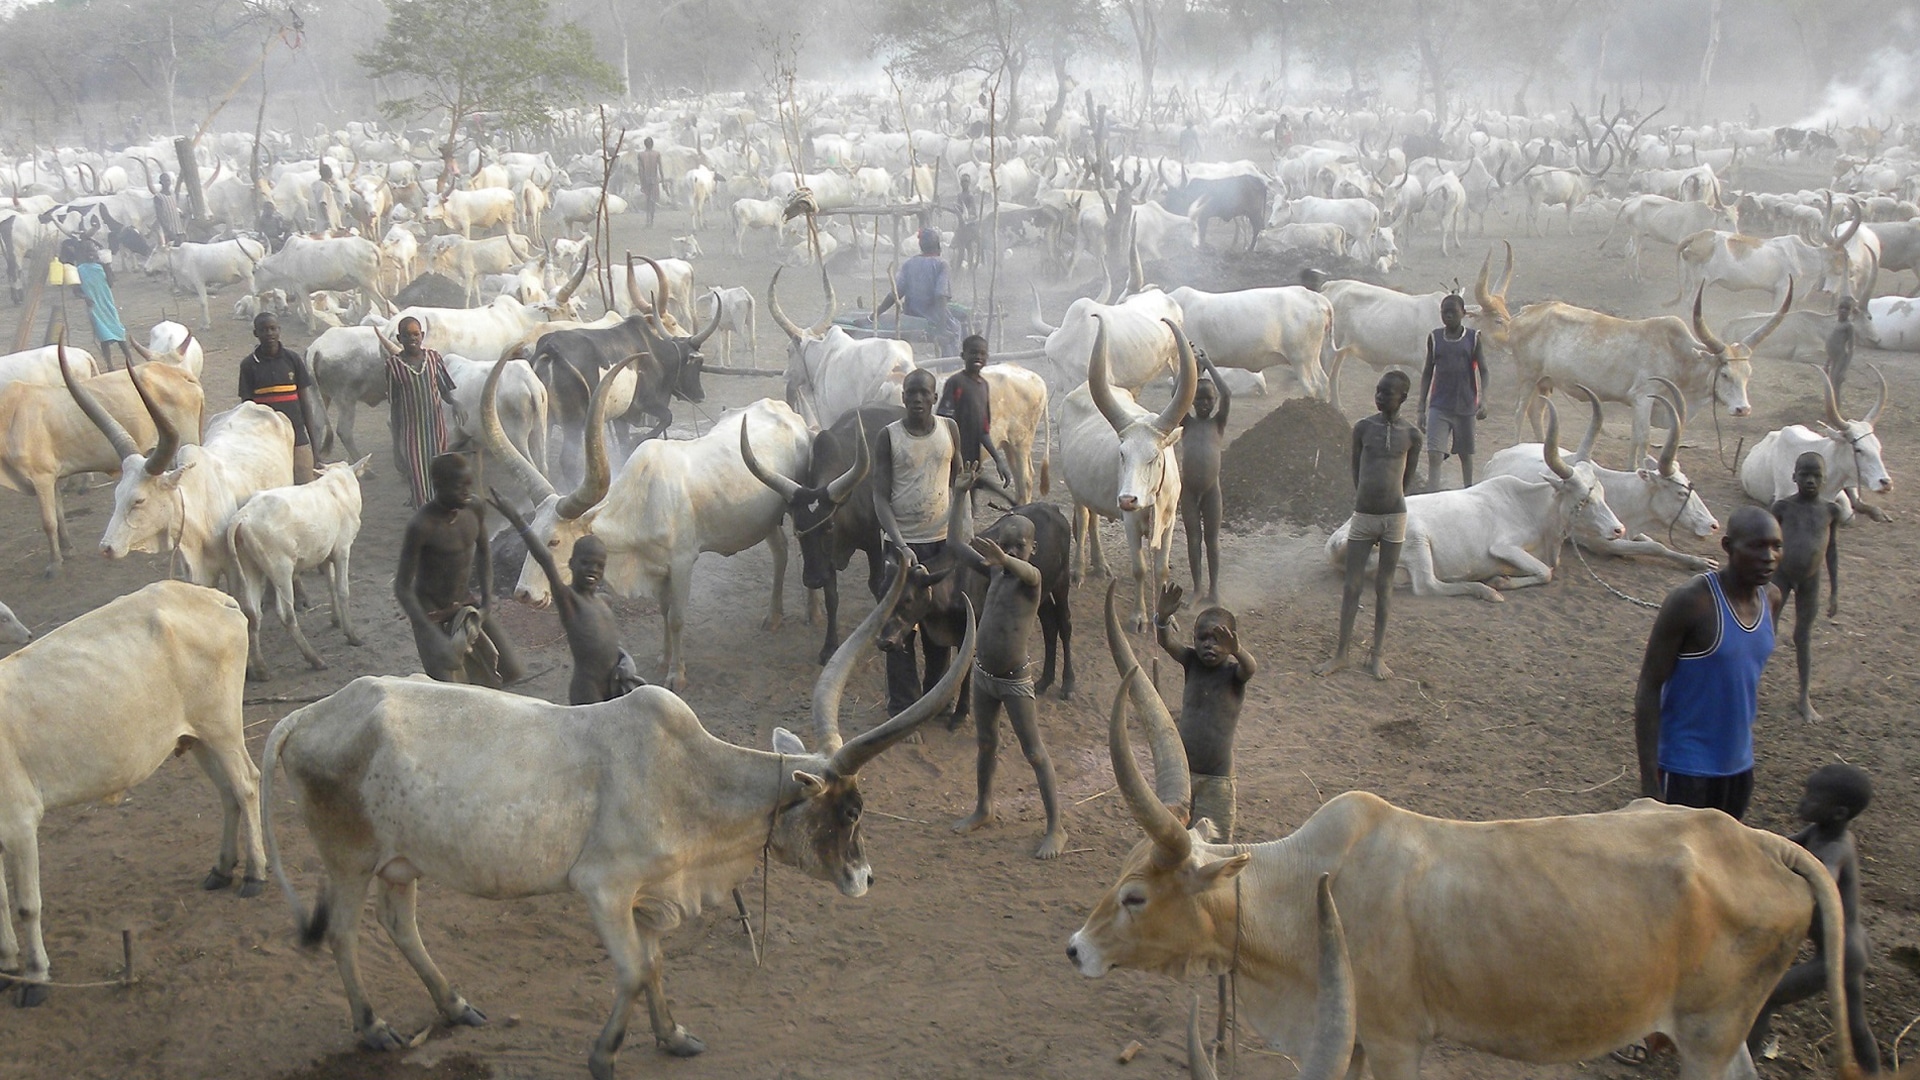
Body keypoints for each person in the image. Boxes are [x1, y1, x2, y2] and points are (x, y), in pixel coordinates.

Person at [1632, 505, 1784, 820]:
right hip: (1685, 766)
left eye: (1776, 546)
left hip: (1739, 764)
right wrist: (1650, 783)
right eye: (1756, 546)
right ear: (1728, 546)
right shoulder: (1692, 602)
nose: (1769, 556)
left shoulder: (1771, 599)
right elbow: (1649, 686)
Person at [949, 478, 1066, 859]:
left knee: (1034, 752)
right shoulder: (996, 574)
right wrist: (960, 495)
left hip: (1015, 681)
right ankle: (984, 807)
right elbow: (953, 545)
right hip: (984, 676)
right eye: (1007, 543)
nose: (1013, 550)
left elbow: (1030, 574)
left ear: (1034, 550)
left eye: (1021, 546)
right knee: (986, 744)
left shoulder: (1031, 581)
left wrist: (1005, 559)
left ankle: (1056, 828)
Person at [1746, 764, 1881, 1071]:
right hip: (1855, 944)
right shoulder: (1819, 831)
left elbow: (1823, 880)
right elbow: (1782, 845)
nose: (1802, 802)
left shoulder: (1835, 848)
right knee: (1855, 1023)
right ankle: (1875, 1074)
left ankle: (1743, 1068)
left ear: (1838, 813)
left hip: (1840, 953)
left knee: (1767, 997)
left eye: (1812, 798)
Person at [491, 490, 644, 705]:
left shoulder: (604, 602)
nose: (593, 569)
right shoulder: (569, 601)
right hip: (588, 690)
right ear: (571, 563)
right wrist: (516, 519)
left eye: (599, 565)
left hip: (614, 685)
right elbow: (544, 558)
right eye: (586, 563)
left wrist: (623, 662)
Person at [1317, 372, 1422, 679]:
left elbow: (1407, 479)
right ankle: (1341, 654)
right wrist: (1367, 500)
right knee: (1351, 586)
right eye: (1377, 391)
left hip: (1394, 517)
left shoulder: (1411, 435)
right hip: (1363, 515)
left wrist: (1389, 500)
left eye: (1387, 393)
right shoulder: (1363, 428)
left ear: (1402, 398)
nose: (1379, 397)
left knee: (1384, 587)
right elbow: (1356, 470)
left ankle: (1377, 656)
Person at [873, 368, 961, 715]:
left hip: (940, 545)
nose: (919, 399)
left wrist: (959, 531)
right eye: (912, 393)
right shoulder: (889, 437)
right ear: (903, 397)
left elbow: (956, 483)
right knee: (898, 631)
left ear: (935, 398)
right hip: (901, 548)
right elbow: (880, 497)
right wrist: (900, 544)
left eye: (926, 393)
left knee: (940, 626)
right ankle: (902, 708)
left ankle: (936, 699)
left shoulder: (949, 430)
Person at [395, 454, 525, 687]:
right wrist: (430, 634)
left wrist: (485, 601)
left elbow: (484, 552)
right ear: (438, 484)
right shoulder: (422, 525)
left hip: (466, 603)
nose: (467, 492)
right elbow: (402, 588)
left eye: (469, 485)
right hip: (431, 612)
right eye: (459, 487)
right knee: (450, 682)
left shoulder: (474, 508)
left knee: (511, 670)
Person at [1154, 584, 1258, 842]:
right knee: (1173, 836)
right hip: (1183, 772)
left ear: (1231, 641)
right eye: (1202, 638)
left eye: (1218, 639)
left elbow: (1251, 667)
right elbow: (1166, 642)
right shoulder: (1191, 662)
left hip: (1217, 778)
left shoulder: (1233, 674)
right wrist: (1163, 618)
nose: (1209, 645)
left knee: (1214, 842)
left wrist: (1238, 651)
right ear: (1193, 639)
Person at [1771, 452, 1842, 724]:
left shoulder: (1830, 511)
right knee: (1766, 631)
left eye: (1816, 476)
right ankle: (1747, 688)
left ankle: (1804, 697)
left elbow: (1832, 550)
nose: (1810, 481)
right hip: (1780, 576)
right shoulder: (1782, 508)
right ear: (1794, 477)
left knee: (1803, 636)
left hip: (1811, 580)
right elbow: (1767, 543)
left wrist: (1834, 591)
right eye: (1804, 475)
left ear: (1825, 479)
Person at [238, 313, 325, 483]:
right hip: (265, 440)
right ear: (256, 333)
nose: (269, 333)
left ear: (279, 330)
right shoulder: (249, 365)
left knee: (305, 485)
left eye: (273, 329)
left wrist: (315, 448)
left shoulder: (292, 359)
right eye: (264, 330)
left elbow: (305, 403)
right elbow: (246, 409)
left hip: (297, 435)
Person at [386, 316, 458, 508]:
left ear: (422, 335)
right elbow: (395, 405)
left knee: (440, 473)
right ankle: (424, 515)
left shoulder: (434, 358)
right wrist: (396, 444)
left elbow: (444, 389)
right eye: (407, 335)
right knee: (418, 477)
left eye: (416, 334)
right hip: (412, 432)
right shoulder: (394, 366)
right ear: (399, 338)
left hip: (436, 429)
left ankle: (442, 514)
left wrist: (455, 403)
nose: (412, 338)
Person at [1419, 293, 1487, 490]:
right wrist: (1420, 407)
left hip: (1465, 406)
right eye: (1444, 312)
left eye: (1453, 312)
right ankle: (1433, 495)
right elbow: (1427, 372)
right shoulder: (1435, 337)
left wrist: (1485, 399)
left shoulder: (1473, 339)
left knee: (1466, 455)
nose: (1448, 316)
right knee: (1434, 453)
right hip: (1439, 405)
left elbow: (1484, 370)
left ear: (1464, 313)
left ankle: (1468, 491)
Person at [1178, 349, 1231, 604]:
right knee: (1193, 538)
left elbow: (1227, 393)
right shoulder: (1186, 423)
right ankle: (1197, 588)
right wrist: (1192, 369)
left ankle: (1214, 589)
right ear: (1191, 402)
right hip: (1188, 490)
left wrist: (1208, 364)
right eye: (1198, 400)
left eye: (1208, 400)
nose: (1203, 404)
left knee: (1211, 539)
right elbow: (1176, 395)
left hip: (1212, 491)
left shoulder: (1217, 423)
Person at [936, 335, 1011, 489]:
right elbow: (943, 420)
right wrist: (951, 454)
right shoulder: (956, 382)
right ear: (963, 355)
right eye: (973, 352)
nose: (978, 356)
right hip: (953, 456)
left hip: (973, 458)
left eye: (982, 353)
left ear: (987, 357)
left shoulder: (983, 386)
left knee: (970, 501)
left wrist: (999, 460)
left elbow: (983, 430)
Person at [875, 228, 959, 356]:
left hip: (911, 315)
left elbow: (895, 294)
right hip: (932, 318)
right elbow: (941, 296)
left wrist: (875, 314)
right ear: (938, 245)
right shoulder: (942, 264)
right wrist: (941, 328)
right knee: (955, 328)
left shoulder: (909, 263)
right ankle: (951, 366)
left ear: (921, 246)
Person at [60, 228, 132, 368]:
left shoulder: (101, 267)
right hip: (94, 306)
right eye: (88, 252)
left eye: (93, 252)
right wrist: (85, 297)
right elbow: (76, 291)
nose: (91, 255)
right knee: (103, 337)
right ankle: (110, 364)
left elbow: (110, 283)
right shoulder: (79, 270)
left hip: (107, 303)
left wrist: (108, 267)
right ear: (82, 254)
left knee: (119, 332)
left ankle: (130, 360)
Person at [1826, 297, 1858, 396]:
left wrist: (1844, 370)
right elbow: (1831, 345)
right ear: (1837, 309)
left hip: (1841, 359)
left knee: (1836, 386)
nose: (1843, 311)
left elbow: (1851, 348)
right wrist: (1826, 364)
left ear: (1850, 312)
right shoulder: (1836, 323)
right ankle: (1830, 408)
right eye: (1841, 308)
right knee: (1830, 385)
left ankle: (1836, 409)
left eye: (1847, 309)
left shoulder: (1849, 326)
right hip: (1833, 359)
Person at [152, 173, 185, 247]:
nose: (167, 183)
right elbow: (160, 216)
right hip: (169, 232)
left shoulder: (173, 194)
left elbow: (174, 209)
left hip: (179, 230)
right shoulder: (158, 197)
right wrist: (169, 232)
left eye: (168, 181)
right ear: (161, 182)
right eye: (165, 181)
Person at [637, 137, 664, 227]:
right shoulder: (657, 154)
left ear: (645, 144)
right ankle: (651, 221)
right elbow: (660, 168)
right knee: (653, 201)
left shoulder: (641, 155)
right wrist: (663, 181)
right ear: (652, 144)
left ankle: (648, 220)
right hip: (654, 179)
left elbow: (640, 171)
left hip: (645, 179)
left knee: (647, 200)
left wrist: (641, 183)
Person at [311, 162, 342, 234]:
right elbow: (322, 203)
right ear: (330, 174)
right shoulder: (324, 187)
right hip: (327, 223)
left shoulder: (316, 184)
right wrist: (328, 221)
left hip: (320, 222)